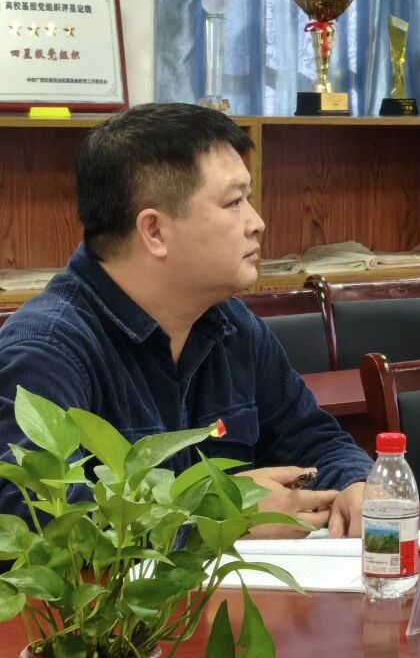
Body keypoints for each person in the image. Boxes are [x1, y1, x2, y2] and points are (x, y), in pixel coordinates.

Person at [0, 103, 371, 534]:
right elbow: (34, 521)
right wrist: (215, 521)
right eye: (234, 202)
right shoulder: (48, 350)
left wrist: (357, 484)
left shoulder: (233, 325)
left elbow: (315, 441)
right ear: (154, 231)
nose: (257, 222)